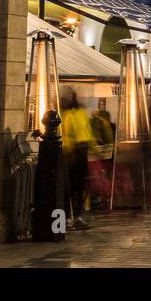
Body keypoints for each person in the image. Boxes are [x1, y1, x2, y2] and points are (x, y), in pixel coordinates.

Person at [59, 89, 95, 229]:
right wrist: (69, 151)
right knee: (69, 187)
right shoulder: (67, 114)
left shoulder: (79, 113)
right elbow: (67, 134)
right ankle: (68, 217)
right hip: (72, 152)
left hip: (80, 151)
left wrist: (92, 146)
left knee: (79, 186)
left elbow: (86, 131)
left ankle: (77, 216)